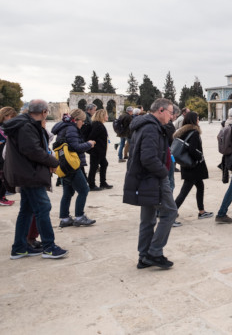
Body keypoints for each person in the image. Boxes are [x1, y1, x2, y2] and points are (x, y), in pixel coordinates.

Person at [5, 99, 68, 259]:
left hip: (26, 172)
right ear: (44, 112)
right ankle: (49, 247)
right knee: (43, 208)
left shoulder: (24, 124)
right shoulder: (26, 126)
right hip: (30, 174)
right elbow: (33, 150)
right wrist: (54, 161)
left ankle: (19, 247)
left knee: (26, 210)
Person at [123, 98, 177, 269]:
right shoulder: (151, 128)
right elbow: (148, 158)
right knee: (169, 213)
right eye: (170, 112)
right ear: (160, 110)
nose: (171, 116)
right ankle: (154, 252)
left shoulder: (145, 125)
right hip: (153, 178)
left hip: (145, 178)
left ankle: (144, 256)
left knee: (148, 219)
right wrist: (163, 173)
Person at [52, 109, 96, 227]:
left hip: (64, 165)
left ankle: (65, 218)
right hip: (72, 164)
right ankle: (79, 216)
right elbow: (75, 147)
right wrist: (89, 144)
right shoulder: (71, 128)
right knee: (84, 190)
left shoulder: (63, 127)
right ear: (76, 120)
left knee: (68, 192)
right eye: (82, 121)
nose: (83, 123)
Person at [173, 111, 213, 223]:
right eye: (198, 118)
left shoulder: (182, 132)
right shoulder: (194, 132)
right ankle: (171, 214)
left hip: (186, 164)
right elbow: (192, 150)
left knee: (200, 186)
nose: (198, 120)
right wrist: (200, 156)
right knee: (184, 191)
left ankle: (202, 211)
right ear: (194, 120)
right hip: (193, 166)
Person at [86, 109, 112, 191]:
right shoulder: (97, 125)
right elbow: (91, 137)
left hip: (100, 151)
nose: (107, 116)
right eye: (106, 115)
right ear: (102, 116)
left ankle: (102, 182)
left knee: (104, 164)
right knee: (94, 167)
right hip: (97, 151)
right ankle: (91, 184)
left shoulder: (99, 124)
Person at [0, 106, 18, 206]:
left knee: (4, 178)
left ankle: (2, 196)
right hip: (1, 157)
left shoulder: (6, 127)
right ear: (5, 116)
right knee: (3, 178)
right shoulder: (2, 127)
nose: (12, 119)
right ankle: (1, 197)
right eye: (11, 117)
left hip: (5, 156)